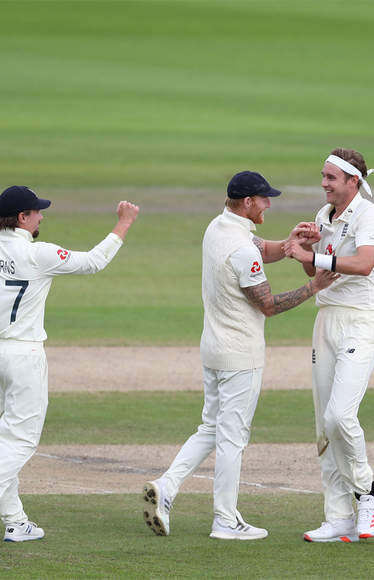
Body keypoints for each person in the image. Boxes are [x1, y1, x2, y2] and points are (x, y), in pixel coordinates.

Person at [142, 171, 339, 541]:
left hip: (213, 348)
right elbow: (266, 304)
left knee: (211, 428)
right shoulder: (241, 248)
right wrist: (314, 284)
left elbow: (261, 248)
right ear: (248, 202)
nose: (269, 204)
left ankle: (167, 486)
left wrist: (291, 243)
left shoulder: (218, 228)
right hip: (240, 355)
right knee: (232, 437)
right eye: (264, 199)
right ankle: (226, 520)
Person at [0, 186, 139, 547]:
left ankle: (14, 521)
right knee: (20, 441)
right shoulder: (39, 253)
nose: (42, 216)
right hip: (24, 354)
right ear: (22, 218)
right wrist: (124, 223)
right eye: (37, 212)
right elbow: (94, 262)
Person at [282, 148, 374, 543]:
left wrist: (316, 257)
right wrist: (304, 254)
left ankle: (367, 494)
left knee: (339, 417)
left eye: (331, 178)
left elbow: (363, 264)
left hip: (360, 320)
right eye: (323, 176)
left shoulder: (369, 215)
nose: (324, 183)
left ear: (352, 181)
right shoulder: (324, 216)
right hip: (326, 318)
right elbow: (317, 271)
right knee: (322, 425)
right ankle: (338, 516)